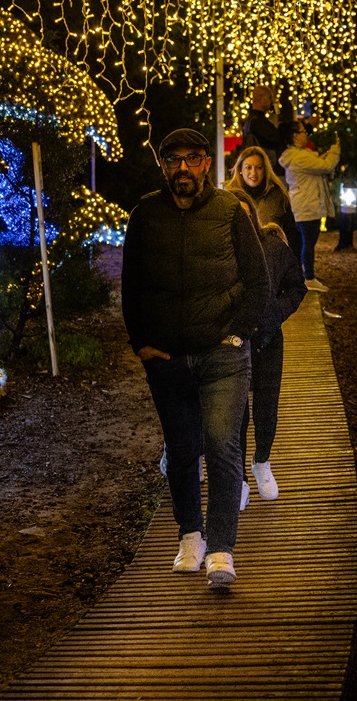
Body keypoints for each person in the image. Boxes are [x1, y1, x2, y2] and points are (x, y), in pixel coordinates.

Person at [122, 127, 270, 589]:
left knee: (223, 446)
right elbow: (132, 285)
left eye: (192, 159)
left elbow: (258, 280)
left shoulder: (230, 210)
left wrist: (238, 333)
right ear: (163, 165)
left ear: (207, 163)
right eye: (173, 159)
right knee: (183, 450)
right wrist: (140, 342)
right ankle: (190, 537)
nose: (182, 168)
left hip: (222, 354)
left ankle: (222, 549)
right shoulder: (145, 214)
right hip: (167, 359)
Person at [235, 216, 306, 503]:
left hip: (267, 339)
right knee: (236, 413)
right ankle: (237, 478)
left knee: (267, 407)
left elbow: (297, 286)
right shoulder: (222, 249)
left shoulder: (273, 247)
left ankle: (261, 460)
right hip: (232, 342)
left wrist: (276, 311)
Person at [279, 118, 340, 292]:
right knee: (308, 243)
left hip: (304, 204)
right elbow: (325, 166)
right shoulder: (301, 157)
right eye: (303, 131)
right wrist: (335, 151)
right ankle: (309, 277)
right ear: (295, 136)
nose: (306, 134)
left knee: (305, 242)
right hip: (308, 205)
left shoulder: (296, 156)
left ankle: (305, 275)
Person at [226, 145, 303, 268]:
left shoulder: (278, 196)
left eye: (259, 167)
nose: (253, 173)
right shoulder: (230, 198)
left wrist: (294, 269)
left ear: (265, 169)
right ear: (240, 169)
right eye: (248, 167)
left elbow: (292, 235)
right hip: (240, 266)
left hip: (272, 263)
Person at [240, 85, 285, 173]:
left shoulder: (251, 120)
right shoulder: (258, 122)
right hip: (267, 170)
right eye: (269, 97)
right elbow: (278, 139)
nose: (272, 101)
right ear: (260, 99)